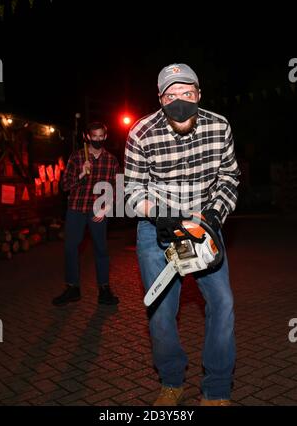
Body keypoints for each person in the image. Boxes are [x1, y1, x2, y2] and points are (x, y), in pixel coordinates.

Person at [124, 63, 240, 406]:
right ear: (160, 99)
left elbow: (229, 178)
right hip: (156, 228)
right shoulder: (140, 133)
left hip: (203, 224)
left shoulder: (219, 126)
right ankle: (172, 381)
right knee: (160, 310)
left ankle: (217, 388)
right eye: (171, 95)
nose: (180, 102)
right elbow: (131, 191)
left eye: (187, 93)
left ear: (199, 94)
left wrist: (215, 214)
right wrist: (158, 214)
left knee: (222, 303)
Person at [53, 121, 119, 307]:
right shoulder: (77, 157)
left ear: (105, 137)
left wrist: (107, 208)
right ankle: (72, 288)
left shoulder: (111, 160)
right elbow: (65, 186)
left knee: (101, 249)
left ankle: (104, 290)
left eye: (101, 136)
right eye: (94, 136)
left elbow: (117, 188)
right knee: (70, 248)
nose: (97, 139)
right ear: (88, 137)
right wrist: (82, 174)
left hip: (98, 210)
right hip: (76, 208)